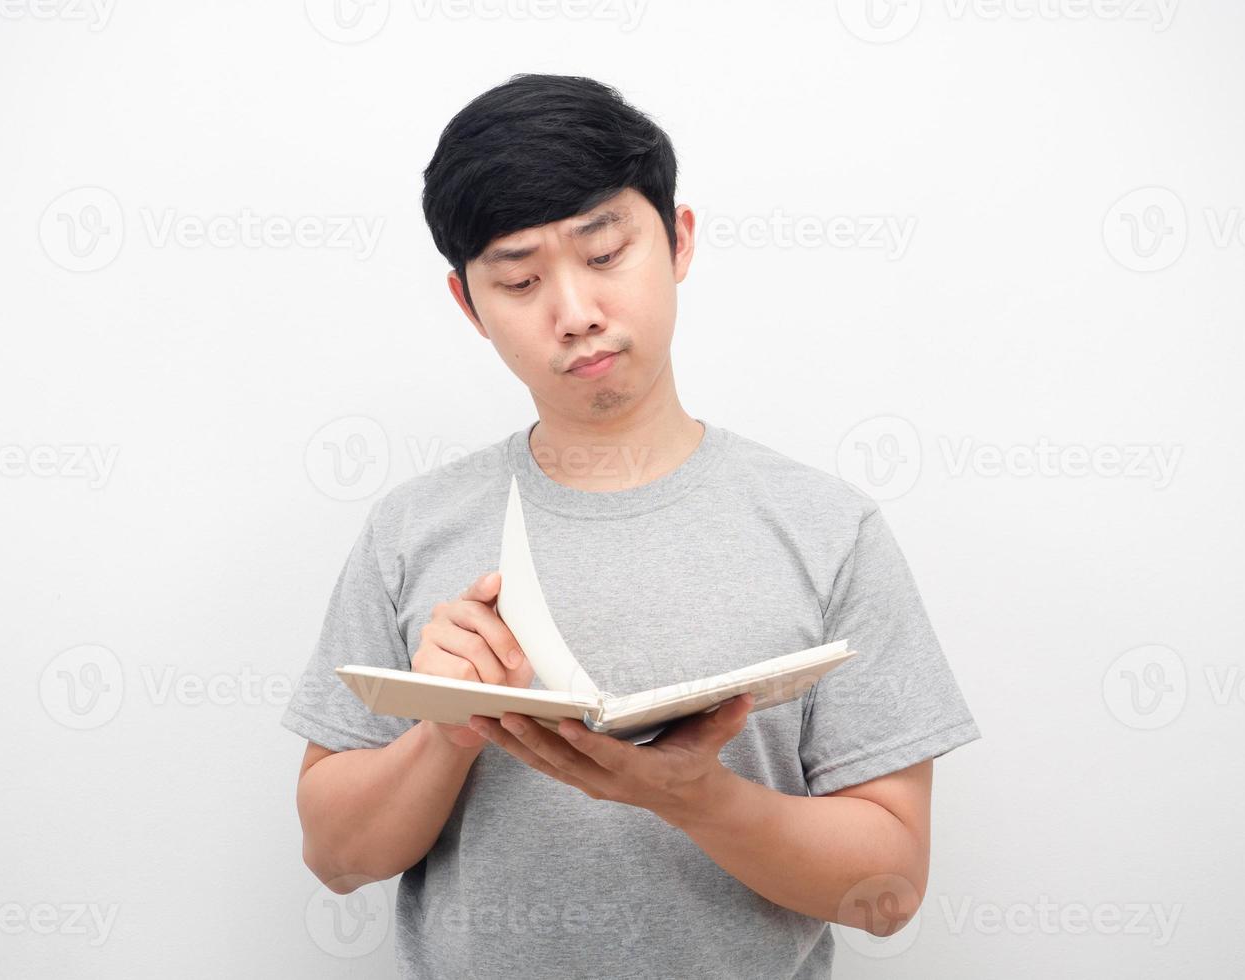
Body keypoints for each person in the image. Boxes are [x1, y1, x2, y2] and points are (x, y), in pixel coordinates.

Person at [282, 72, 981, 979]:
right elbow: (336, 859)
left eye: (606, 254)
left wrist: (697, 799)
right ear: (468, 306)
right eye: (521, 279)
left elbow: (888, 894)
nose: (573, 313)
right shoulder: (411, 529)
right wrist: (444, 733)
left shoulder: (826, 530)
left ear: (678, 240)